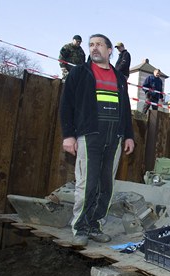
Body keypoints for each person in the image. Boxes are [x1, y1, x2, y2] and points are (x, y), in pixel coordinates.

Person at [60, 33, 135, 247]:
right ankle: (80, 227)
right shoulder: (79, 73)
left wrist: (129, 135)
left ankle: (95, 225)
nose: (94, 48)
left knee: (106, 184)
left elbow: (126, 110)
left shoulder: (120, 79)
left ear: (109, 50)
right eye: (91, 45)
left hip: (114, 137)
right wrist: (68, 135)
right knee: (87, 183)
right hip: (90, 135)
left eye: (99, 45)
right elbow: (66, 106)